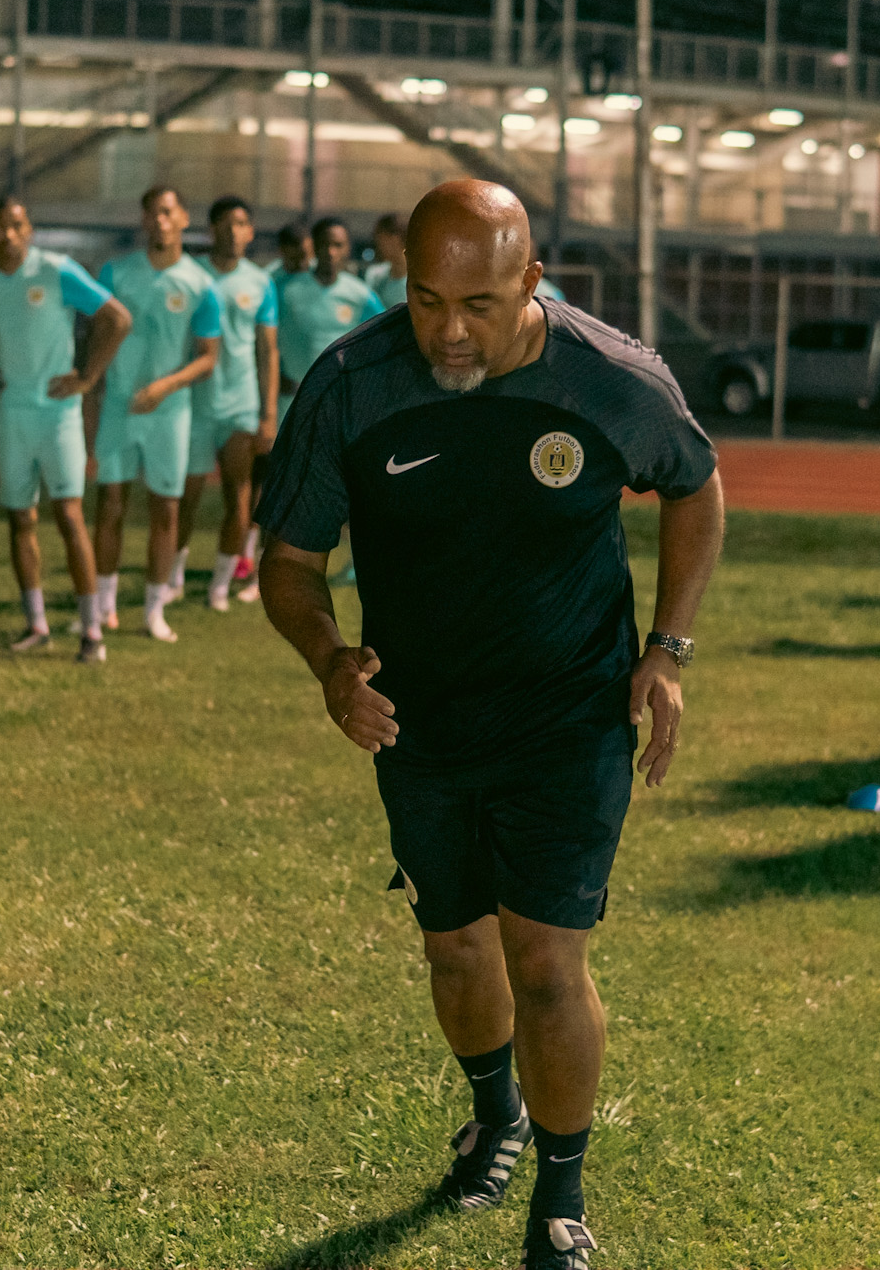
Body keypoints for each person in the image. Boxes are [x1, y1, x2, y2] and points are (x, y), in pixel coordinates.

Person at [257, 180, 723, 1270]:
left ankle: (557, 1194)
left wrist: (668, 648)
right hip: (419, 723)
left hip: (570, 714)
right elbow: (288, 564)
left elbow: (694, 486)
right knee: (458, 953)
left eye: (478, 303)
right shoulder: (352, 386)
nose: (448, 332)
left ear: (532, 284)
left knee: (546, 961)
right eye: (425, 302)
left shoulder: (609, 380)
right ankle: (494, 1112)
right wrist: (330, 660)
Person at [0, 195, 132, 660]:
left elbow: (117, 319)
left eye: (17, 225)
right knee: (20, 517)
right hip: (10, 413)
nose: (7, 234)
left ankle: (91, 632)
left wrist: (88, 374)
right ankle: (37, 624)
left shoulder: (56, 270)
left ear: (29, 231)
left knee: (69, 516)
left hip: (58, 413)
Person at [92, 186, 222, 643]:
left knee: (166, 510)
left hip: (170, 413)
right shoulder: (116, 272)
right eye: (151, 214)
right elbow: (94, 336)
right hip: (119, 407)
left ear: (184, 218)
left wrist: (166, 386)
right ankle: (102, 607)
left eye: (168, 212)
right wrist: (92, 393)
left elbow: (208, 357)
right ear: (143, 221)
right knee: (109, 505)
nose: (160, 221)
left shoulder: (200, 284)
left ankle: (153, 611)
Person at [172, 195, 279, 611]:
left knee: (239, 496)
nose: (234, 232)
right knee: (186, 497)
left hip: (240, 406)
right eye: (226, 224)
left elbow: (267, 350)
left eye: (242, 224)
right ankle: (174, 578)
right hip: (194, 404)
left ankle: (219, 585)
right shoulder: (192, 274)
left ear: (250, 232)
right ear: (211, 229)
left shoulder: (260, 282)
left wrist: (268, 413)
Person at [276, 218, 386, 586]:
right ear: (314, 246)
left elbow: (379, 347)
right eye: (324, 244)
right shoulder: (287, 289)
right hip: (292, 403)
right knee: (288, 485)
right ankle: (278, 567)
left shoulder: (360, 295)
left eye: (338, 245)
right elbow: (266, 338)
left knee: (352, 485)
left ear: (346, 251)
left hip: (343, 408)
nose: (330, 252)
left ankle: (357, 565)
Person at [365, 211, 409, 309]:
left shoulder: (417, 280)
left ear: (395, 238)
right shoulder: (375, 275)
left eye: (381, 238)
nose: (378, 245)